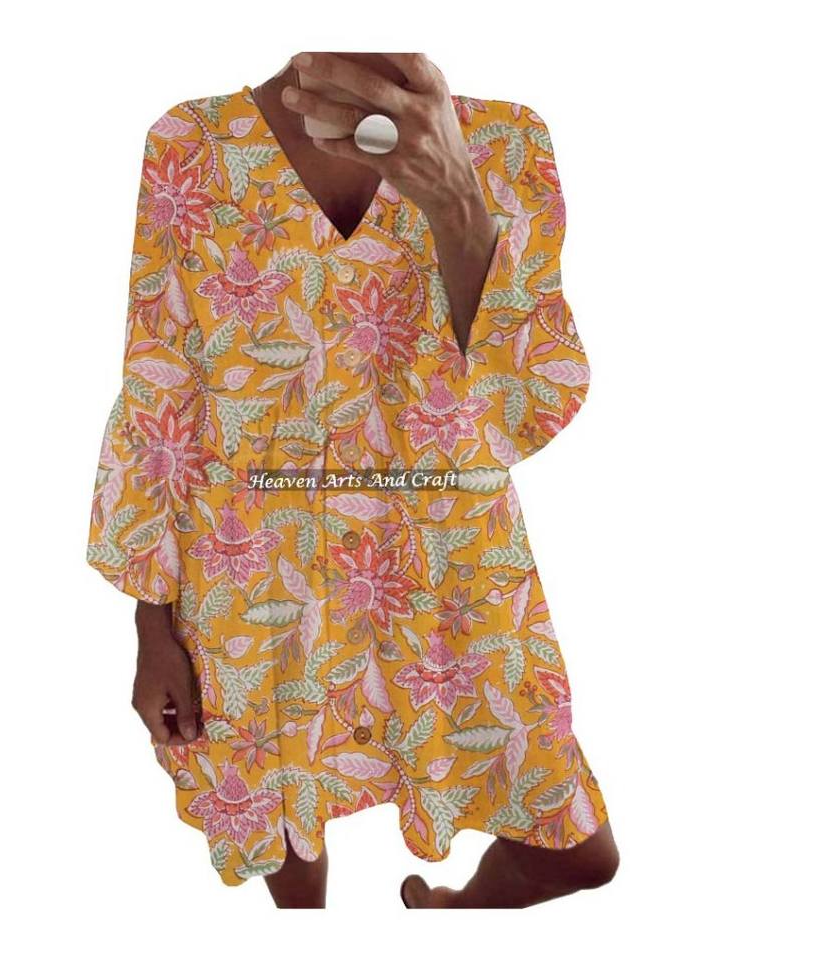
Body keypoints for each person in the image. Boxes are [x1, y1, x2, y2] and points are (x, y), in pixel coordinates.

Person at [86, 51, 619, 908]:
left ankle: (449, 915)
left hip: (452, 570)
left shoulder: (506, 142)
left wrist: (455, 198)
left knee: (580, 857)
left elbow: (529, 404)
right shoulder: (193, 143)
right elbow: (160, 390)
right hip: (249, 572)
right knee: (289, 838)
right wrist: (151, 623)